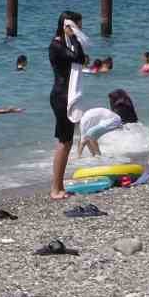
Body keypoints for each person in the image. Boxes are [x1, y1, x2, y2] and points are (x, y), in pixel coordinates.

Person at [48, 11, 88, 200]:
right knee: (64, 142)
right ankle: (55, 188)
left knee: (67, 141)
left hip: (67, 95)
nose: (79, 31)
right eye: (75, 26)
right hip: (60, 96)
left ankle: (60, 185)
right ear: (66, 26)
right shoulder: (56, 45)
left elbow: (81, 57)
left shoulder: (68, 44)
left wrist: (74, 39)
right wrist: (76, 38)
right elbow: (79, 58)